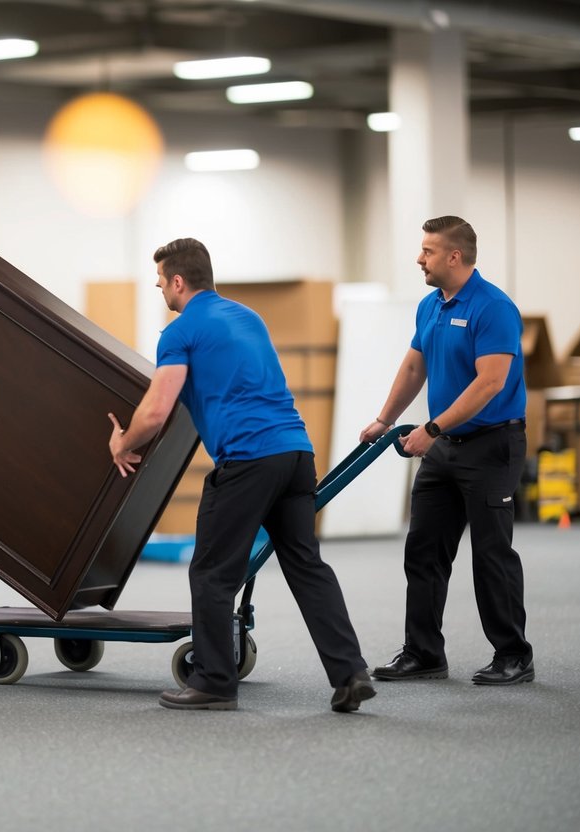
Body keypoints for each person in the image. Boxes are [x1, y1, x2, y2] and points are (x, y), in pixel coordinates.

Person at [107, 237, 374, 713]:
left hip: (249, 460)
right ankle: (350, 672)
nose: (159, 290)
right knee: (306, 567)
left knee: (211, 572)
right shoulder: (247, 317)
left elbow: (155, 413)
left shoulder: (180, 331)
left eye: (160, 282)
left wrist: (122, 443)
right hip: (295, 453)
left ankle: (213, 682)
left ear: (178, 281)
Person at [361, 216, 532, 686]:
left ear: (454, 256)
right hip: (445, 448)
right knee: (423, 551)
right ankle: (423, 653)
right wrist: (385, 418)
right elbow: (415, 366)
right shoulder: (430, 306)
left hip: (493, 444)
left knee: (491, 554)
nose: (420, 258)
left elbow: (491, 383)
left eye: (428, 251)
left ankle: (514, 654)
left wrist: (432, 428)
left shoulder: (493, 307)